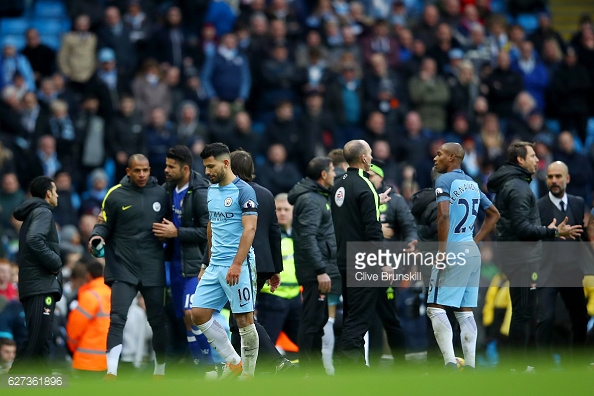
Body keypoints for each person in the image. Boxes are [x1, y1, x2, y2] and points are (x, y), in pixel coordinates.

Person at [486, 142, 582, 371]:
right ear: (520, 160)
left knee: (522, 311)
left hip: (514, 255)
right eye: (532, 156)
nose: (537, 160)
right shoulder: (519, 187)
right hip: (521, 257)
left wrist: (542, 227)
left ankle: (517, 364)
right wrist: (554, 231)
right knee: (522, 313)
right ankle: (518, 366)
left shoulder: (512, 184)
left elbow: (521, 225)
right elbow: (522, 229)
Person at [88, 154, 170, 379]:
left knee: (158, 320)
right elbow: (103, 224)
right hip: (123, 266)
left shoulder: (162, 194)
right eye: (137, 171)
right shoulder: (115, 195)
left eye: (145, 170)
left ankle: (159, 371)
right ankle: (111, 372)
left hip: (153, 265)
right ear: (128, 171)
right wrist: (97, 237)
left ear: (150, 169)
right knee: (117, 318)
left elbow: (172, 224)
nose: (142, 175)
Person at [426, 142, 500, 370]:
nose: (435, 158)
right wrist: (474, 241)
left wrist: (442, 252)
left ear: (451, 157)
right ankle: (470, 367)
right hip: (471, 250)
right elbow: (494, 214)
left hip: (453, 251)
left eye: (439, 154)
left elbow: (444, 215)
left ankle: (449, 364)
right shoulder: (472, 183)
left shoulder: (444, 180)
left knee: (435, 308)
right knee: (464, 311)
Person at [191, 143, 259, 379]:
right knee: (198, 313)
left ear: (226, 163)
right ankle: (234, 362)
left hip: (237, 265)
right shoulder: (211, 190)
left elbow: (249, 230)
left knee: (244, 320)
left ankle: (248, 377)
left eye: (211, 166)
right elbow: (211, 227)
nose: (207, 171)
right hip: (215, 264)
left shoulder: (244, 191)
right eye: (205, 167)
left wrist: (237, 264)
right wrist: (206, 262)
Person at [228, 149, 294, 374]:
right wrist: (276, 269)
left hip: (240, 263)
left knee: (243, 318)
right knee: (238, 320)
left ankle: (277, 363)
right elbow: (275, 233)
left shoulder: (230, 194)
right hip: (263, 264)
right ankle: (241, 370)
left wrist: (206, 264)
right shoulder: (266, 194)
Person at [152, 145, 216, 375]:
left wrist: (176, 233)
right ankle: (204, 370)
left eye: (171, 166)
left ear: (185, 168)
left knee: (193, 314)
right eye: (166, 165)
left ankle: (212, 366)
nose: (166, 170)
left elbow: (208, 231)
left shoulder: (201, 192)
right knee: (186, 320)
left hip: (195, 264)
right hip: (174, 263)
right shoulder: (167, 188)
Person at [330, 140, 391, 367]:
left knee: (350, 316)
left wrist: (377, 201)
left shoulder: (339, 184)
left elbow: (349, 216)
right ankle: (353, 369)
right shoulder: (366, 185)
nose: (373, 158)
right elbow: (373, 232)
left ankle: (349, 366)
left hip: (344, 260)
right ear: (364, 158)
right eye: (371, 154)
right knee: (359, 320)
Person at [535, 161, 594, 366]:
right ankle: (540, 366)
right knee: (545, 319)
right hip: (548, 272)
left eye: (558, 176)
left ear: (567, 179)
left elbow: (582, 235)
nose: (554, 181)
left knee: (580, 318)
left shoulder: (578, 203)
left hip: (572, 272)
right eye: (550, 177)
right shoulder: (539, 205)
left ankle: (576, 363)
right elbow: (534, 238)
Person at [288, 157, 341, 374]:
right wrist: (320, 271)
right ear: (323, 175)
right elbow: (307, 238)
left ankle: (316, 370)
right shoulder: (311, 200)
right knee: (311, 321)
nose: (335, 174)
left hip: (319, 269)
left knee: (317, 321)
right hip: (315, 272)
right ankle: (308, 371)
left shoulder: (318, 197)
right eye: (332, 170)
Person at [10, 176, 62, 373]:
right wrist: (55, 262)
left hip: (37, 285)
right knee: (37, 340)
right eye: (55, 191)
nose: (57, 195)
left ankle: (45, 383)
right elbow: (34, 239)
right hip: (41, 286)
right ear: (48, 193)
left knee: (42, 341)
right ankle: (10, 384)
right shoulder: (43, 212)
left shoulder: (34, 212)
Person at [257, 193, 301, 347]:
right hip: (272, 297)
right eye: (278, 209)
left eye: (286, 209)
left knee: (305, 342)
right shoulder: (265, 234)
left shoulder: (300, 234)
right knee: (266, 345)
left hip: (295, 297)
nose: (282, 213)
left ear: (293, 212)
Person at [66, 261, 111, 378]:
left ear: (88, 275)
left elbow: (76, 326)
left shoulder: (90, 296)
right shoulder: (111, 294)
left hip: (87, 361)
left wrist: (72, 345)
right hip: (109, 360)